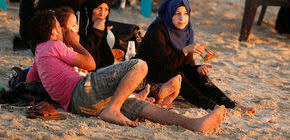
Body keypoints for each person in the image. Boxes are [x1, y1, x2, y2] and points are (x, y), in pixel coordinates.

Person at [26, 10, 227, 130]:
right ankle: (113, 110)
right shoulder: (54, 45)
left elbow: (30, 80)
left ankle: (195, 124)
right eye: (60, 28)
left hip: (80, 106)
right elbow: (90, 64)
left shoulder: (39, 53)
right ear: (53, 32)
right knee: (139, 64)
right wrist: (75, 43)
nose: (64, 31)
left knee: (145, 109)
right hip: (83, 90)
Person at [137, 0, 255, 112]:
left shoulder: (187, 32)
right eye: (177, 13)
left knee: (199, 76)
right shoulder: (157, 31)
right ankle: (211, 106)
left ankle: (231, 105)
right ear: (169, 14)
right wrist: (185, 50)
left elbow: (186, 65)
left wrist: (196, 69)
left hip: (169, 71)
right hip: (148, 74)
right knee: (179, 76)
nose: (182, 18)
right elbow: (164, 66)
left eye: (185, 13)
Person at [79, 0, 182, 106]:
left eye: (106, 9)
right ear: (90, 8)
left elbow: (106, 60)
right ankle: (152, 95)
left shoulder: (102, 28)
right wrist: (96, 32)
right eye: (99, 8)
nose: (102, 13)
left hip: (104, 73)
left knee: (135, 70)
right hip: (88, 80)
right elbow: (89, 61)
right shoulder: (81, 28)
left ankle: (157, 92)